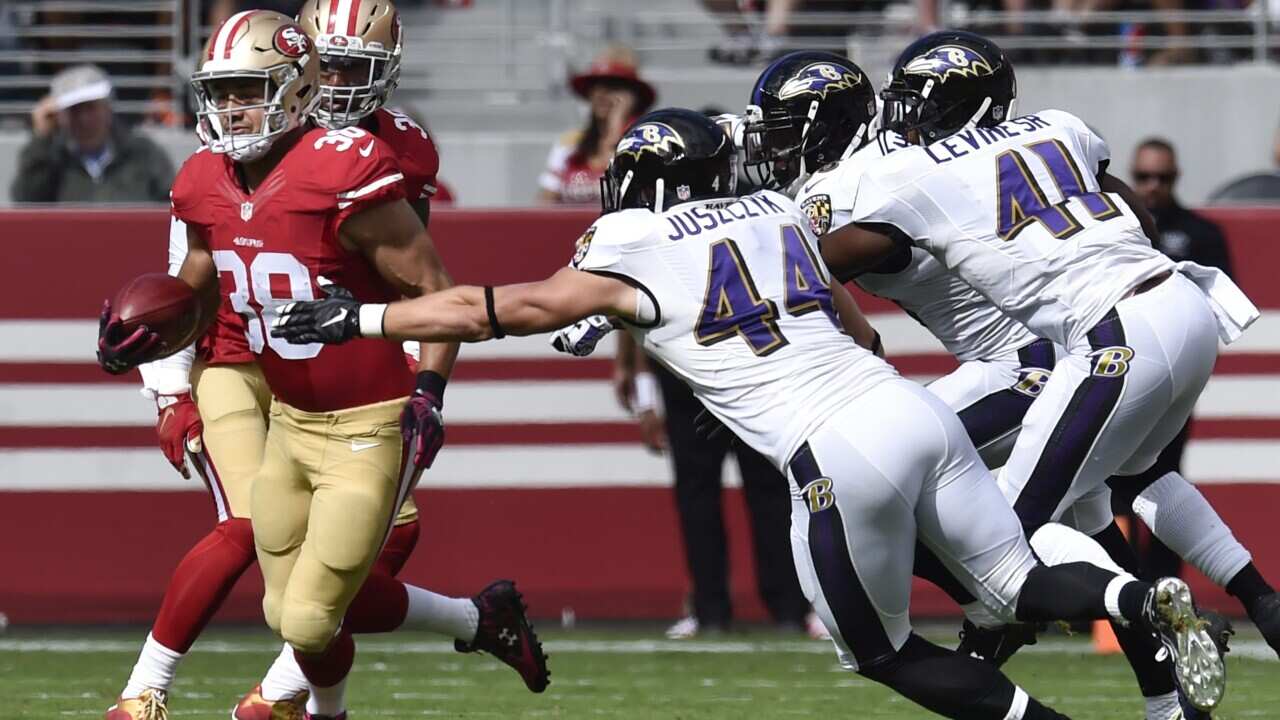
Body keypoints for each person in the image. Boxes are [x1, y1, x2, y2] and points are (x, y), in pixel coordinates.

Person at [272, 107, 1224, 720]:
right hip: (911, 411)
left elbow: (507, 310)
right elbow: (865, 333)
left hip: (834, 452)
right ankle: (1134, 596)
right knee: (1014, 581)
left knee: (885, 655)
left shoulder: (633, 237)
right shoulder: (774, 212)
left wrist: (364, 313)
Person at [97, 12, 547, 720]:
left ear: (291, 85)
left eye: (247, 89)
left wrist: (426, 388)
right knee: (292, 606)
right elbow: (194, 282)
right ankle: (420, 651)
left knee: (316, 606)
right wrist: (154, 348)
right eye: (221, 91)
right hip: (279, 399)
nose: (229, 108)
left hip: (359, 400)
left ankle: (203, 695)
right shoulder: (206, 173)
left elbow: (425, 290)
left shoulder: (354, 163)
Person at [744, 49, 1211, 719]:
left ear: (827, 121)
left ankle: (993, 612)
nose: (776, 144)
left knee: (883, 484)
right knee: (1092, 527)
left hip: (1030, 365)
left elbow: (799, 284)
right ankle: (1171, 702)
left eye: (786, 127)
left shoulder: (852, 184)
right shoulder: (873, 167)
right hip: (1037, 354)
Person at [1110, 138, 1234, 581]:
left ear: (1176, 178)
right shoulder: (1111, 228)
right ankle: (1115, 593)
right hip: (1117, 372)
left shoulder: (1199, 234)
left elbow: (1220, 303)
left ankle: (1163, 585)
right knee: (1106, 486)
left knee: (1163, 480)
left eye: (1162, 177)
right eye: (1143, 177)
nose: (1152, 186)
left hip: (1172, 378)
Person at [11, 64, 173, 204]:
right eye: (74, 110)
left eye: (90, 107)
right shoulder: (51, 158)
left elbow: (172, 205)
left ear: (108, 108)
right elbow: (25, 200)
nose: (84, 119)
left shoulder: (143, 153)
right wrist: (42, 138)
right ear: (60, 116)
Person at [537, 45, 655, 205]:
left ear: (632, 95)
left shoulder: (649, 144)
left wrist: (615, 129)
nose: (601, 93)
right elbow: (544, 204)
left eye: (613, 85)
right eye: (596, 84)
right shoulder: (570, 144)